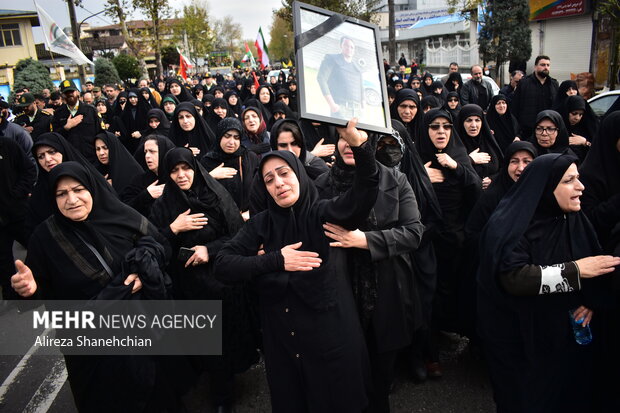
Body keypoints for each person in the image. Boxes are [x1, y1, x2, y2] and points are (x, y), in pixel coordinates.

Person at [215, 119, 377, 413]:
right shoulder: (262, 224)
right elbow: (224, 265)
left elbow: (362, 194)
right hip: (285, 348)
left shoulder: (322, 213)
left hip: (330, 342)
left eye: (284, 173)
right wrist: (276, 260)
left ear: (299, 174)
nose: (278, 183)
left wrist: (360, 146)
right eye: (268, 180)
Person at [11, 161, 184, 412]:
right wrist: (29, 289)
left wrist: (143, 268)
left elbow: (160, 246)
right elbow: (39, 291)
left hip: (143, 327)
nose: (72, 199)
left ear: (92, 188)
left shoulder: (120, 214)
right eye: (61, 193)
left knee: (156, 395)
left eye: (79, 189)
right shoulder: (45, 237)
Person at [477, 151, 620, 413]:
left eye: (578, 178)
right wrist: (574, 272)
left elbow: (595, 265)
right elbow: (513, 278)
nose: (581, 186)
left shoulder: (574, 218)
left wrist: (591, 301)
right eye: (569, 181)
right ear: (545, 186)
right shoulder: (509, 225)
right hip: (522, 341)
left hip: (566, 339)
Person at [314, 128, 424, 412]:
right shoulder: (323, 183)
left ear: (371, 143)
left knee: (378, 378)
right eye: (342, 137)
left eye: (357, 137)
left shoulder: (395, 179)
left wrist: (365, 241)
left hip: (386, 289)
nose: (349, 143)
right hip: (338, 288)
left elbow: (413, 233)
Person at [149, 147, 259, 413]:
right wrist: (174, 229)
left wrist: (207, 250)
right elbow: (152, 247)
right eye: (174, 170)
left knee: (226, 340)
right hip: (188, 287)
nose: (181, 175)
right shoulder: (163, 206)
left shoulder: (215, 195)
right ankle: (217, 387)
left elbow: (237, 235)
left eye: (186, 168)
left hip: (222, 281)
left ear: (195, 169)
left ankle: (225, 392)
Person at [417, 109, 481, 374]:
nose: (441, 131)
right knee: (427, 295)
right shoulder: (418, 157)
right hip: (425, 241)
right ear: (426, 131)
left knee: (450, 291)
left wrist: (456, 167)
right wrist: (421, 176)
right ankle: (429, 355)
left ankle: (448, 331)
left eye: (446, 126)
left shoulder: (458, 154)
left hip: (454, 240)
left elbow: (475, 189)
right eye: (434, 127)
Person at [0, 137, 36, 301]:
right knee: (3, 260)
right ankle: (12, 297)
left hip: (18, 213)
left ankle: (51, 284)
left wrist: (17, 194)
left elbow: (29, 169)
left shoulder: (7, 144)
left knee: (38, 247)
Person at [200, 118, 259, 218]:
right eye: (227, 136)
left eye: (236, 138)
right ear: (219, 136)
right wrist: (210, 177)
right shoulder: (208, 161)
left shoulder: (249, 158)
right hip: (219, 222)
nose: (232, 142)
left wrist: (251, 212)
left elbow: (260, 189)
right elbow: (199, 194)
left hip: (247, 220)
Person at [120, 135, 176, 217]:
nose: (147, 156)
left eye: (152, 151)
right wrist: (146, 195)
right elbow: (125, 208)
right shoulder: (139, 180)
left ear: (164, 152)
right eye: (145, 152)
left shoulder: (177, 178)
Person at [51, 79, 103, 164]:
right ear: (62, 95)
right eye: (66, 92)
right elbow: (55, 137)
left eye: (72, 91)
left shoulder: (91, 110)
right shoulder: (58, 114)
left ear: (77, 92)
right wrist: (66, 127)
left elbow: (101, 133)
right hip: (70, 159)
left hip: (92, 158)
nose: (69, 94)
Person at [316, 36, 364, 120]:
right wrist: (332, 105)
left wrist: (363, 108)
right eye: (346, 45)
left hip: (357, 111)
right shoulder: (332, 59)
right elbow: (321, 78)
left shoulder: (357, 67)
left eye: (352, 47)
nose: (349, 48)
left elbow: (361, 87)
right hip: (341, 108)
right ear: (341, 46)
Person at [456, 104, 503, 188]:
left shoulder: (489, 143)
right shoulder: (455, 145)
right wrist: (469, 160)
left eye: (477, 120)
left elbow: (503, 168)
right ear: (462, 122)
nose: (473, 125)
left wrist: (493, 179)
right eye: (469, 120)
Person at [512, 56, 559, 138]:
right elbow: (515, 107)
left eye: (548, 65)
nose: (546, 67)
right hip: (528, 131)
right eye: (543, 65)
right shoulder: (524, 83)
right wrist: (517, 132)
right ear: (535, 66)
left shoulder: (554, 84)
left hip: (548, 130)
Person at [557, 95, 598, 162]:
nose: (577, 118)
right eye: (574, 113)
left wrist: (585, 142)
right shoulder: (557, 127)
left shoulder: (586, 128)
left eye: (580, 114)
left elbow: (597, 151)